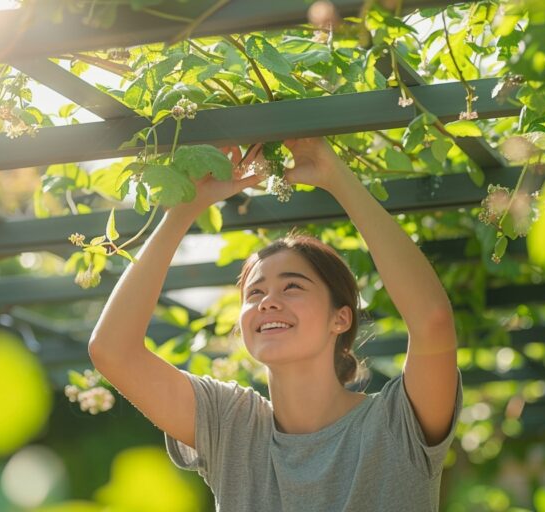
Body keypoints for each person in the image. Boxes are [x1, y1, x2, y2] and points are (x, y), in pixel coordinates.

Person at [88, 138, 462, 511]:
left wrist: (337, 178)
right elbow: (112, 351)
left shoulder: (396, 424)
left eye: (292, 286)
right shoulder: (233, 426)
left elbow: (432, 321)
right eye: (254, 293)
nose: (268, 301)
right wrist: (184, 210)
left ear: (341, 317)